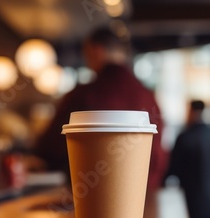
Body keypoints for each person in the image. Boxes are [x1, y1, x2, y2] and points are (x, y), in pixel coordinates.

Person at [35, 27, 167, 190]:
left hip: (95, 193)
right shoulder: (148, 96)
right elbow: (159, 148)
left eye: (87, 55)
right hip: (145, 191)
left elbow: (51, 145)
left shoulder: (86, 94)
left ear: (96, 51)